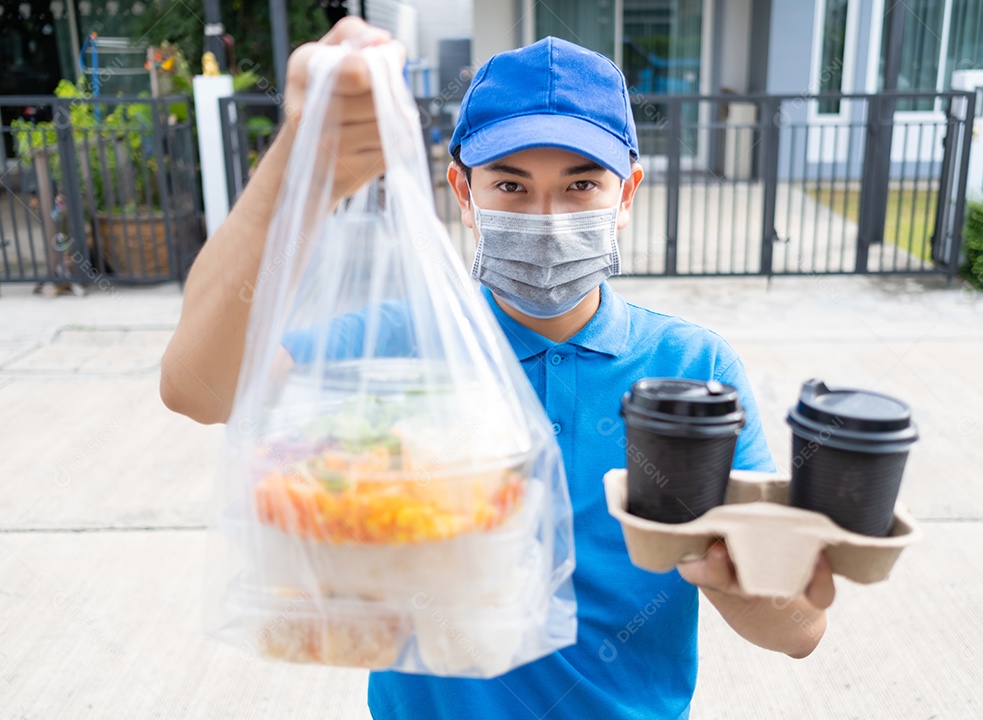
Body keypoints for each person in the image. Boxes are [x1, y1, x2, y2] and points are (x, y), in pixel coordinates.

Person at [161, 18, 836, 720]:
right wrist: (300, 169)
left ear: (628, 193)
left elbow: (797, 632)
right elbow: (198, 388)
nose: (545, 217)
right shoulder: (404, 345)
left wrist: (719, 556)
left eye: (580, 187)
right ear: (463, 191)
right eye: (511, 187)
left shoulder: (691, 373)